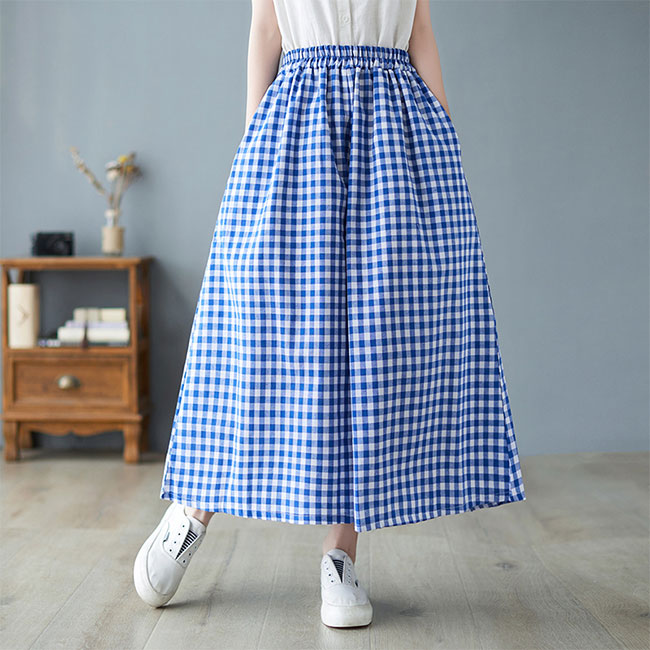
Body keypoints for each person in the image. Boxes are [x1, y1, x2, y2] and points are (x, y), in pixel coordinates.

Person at [133, 0, 526, 629]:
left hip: (396, 128)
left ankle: (340, 555)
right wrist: (255, 136)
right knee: (253, 323)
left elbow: (420, 26)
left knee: (374, 338)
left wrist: (442, 124)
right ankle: (193, 508)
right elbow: (267, 28)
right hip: (298, 121)